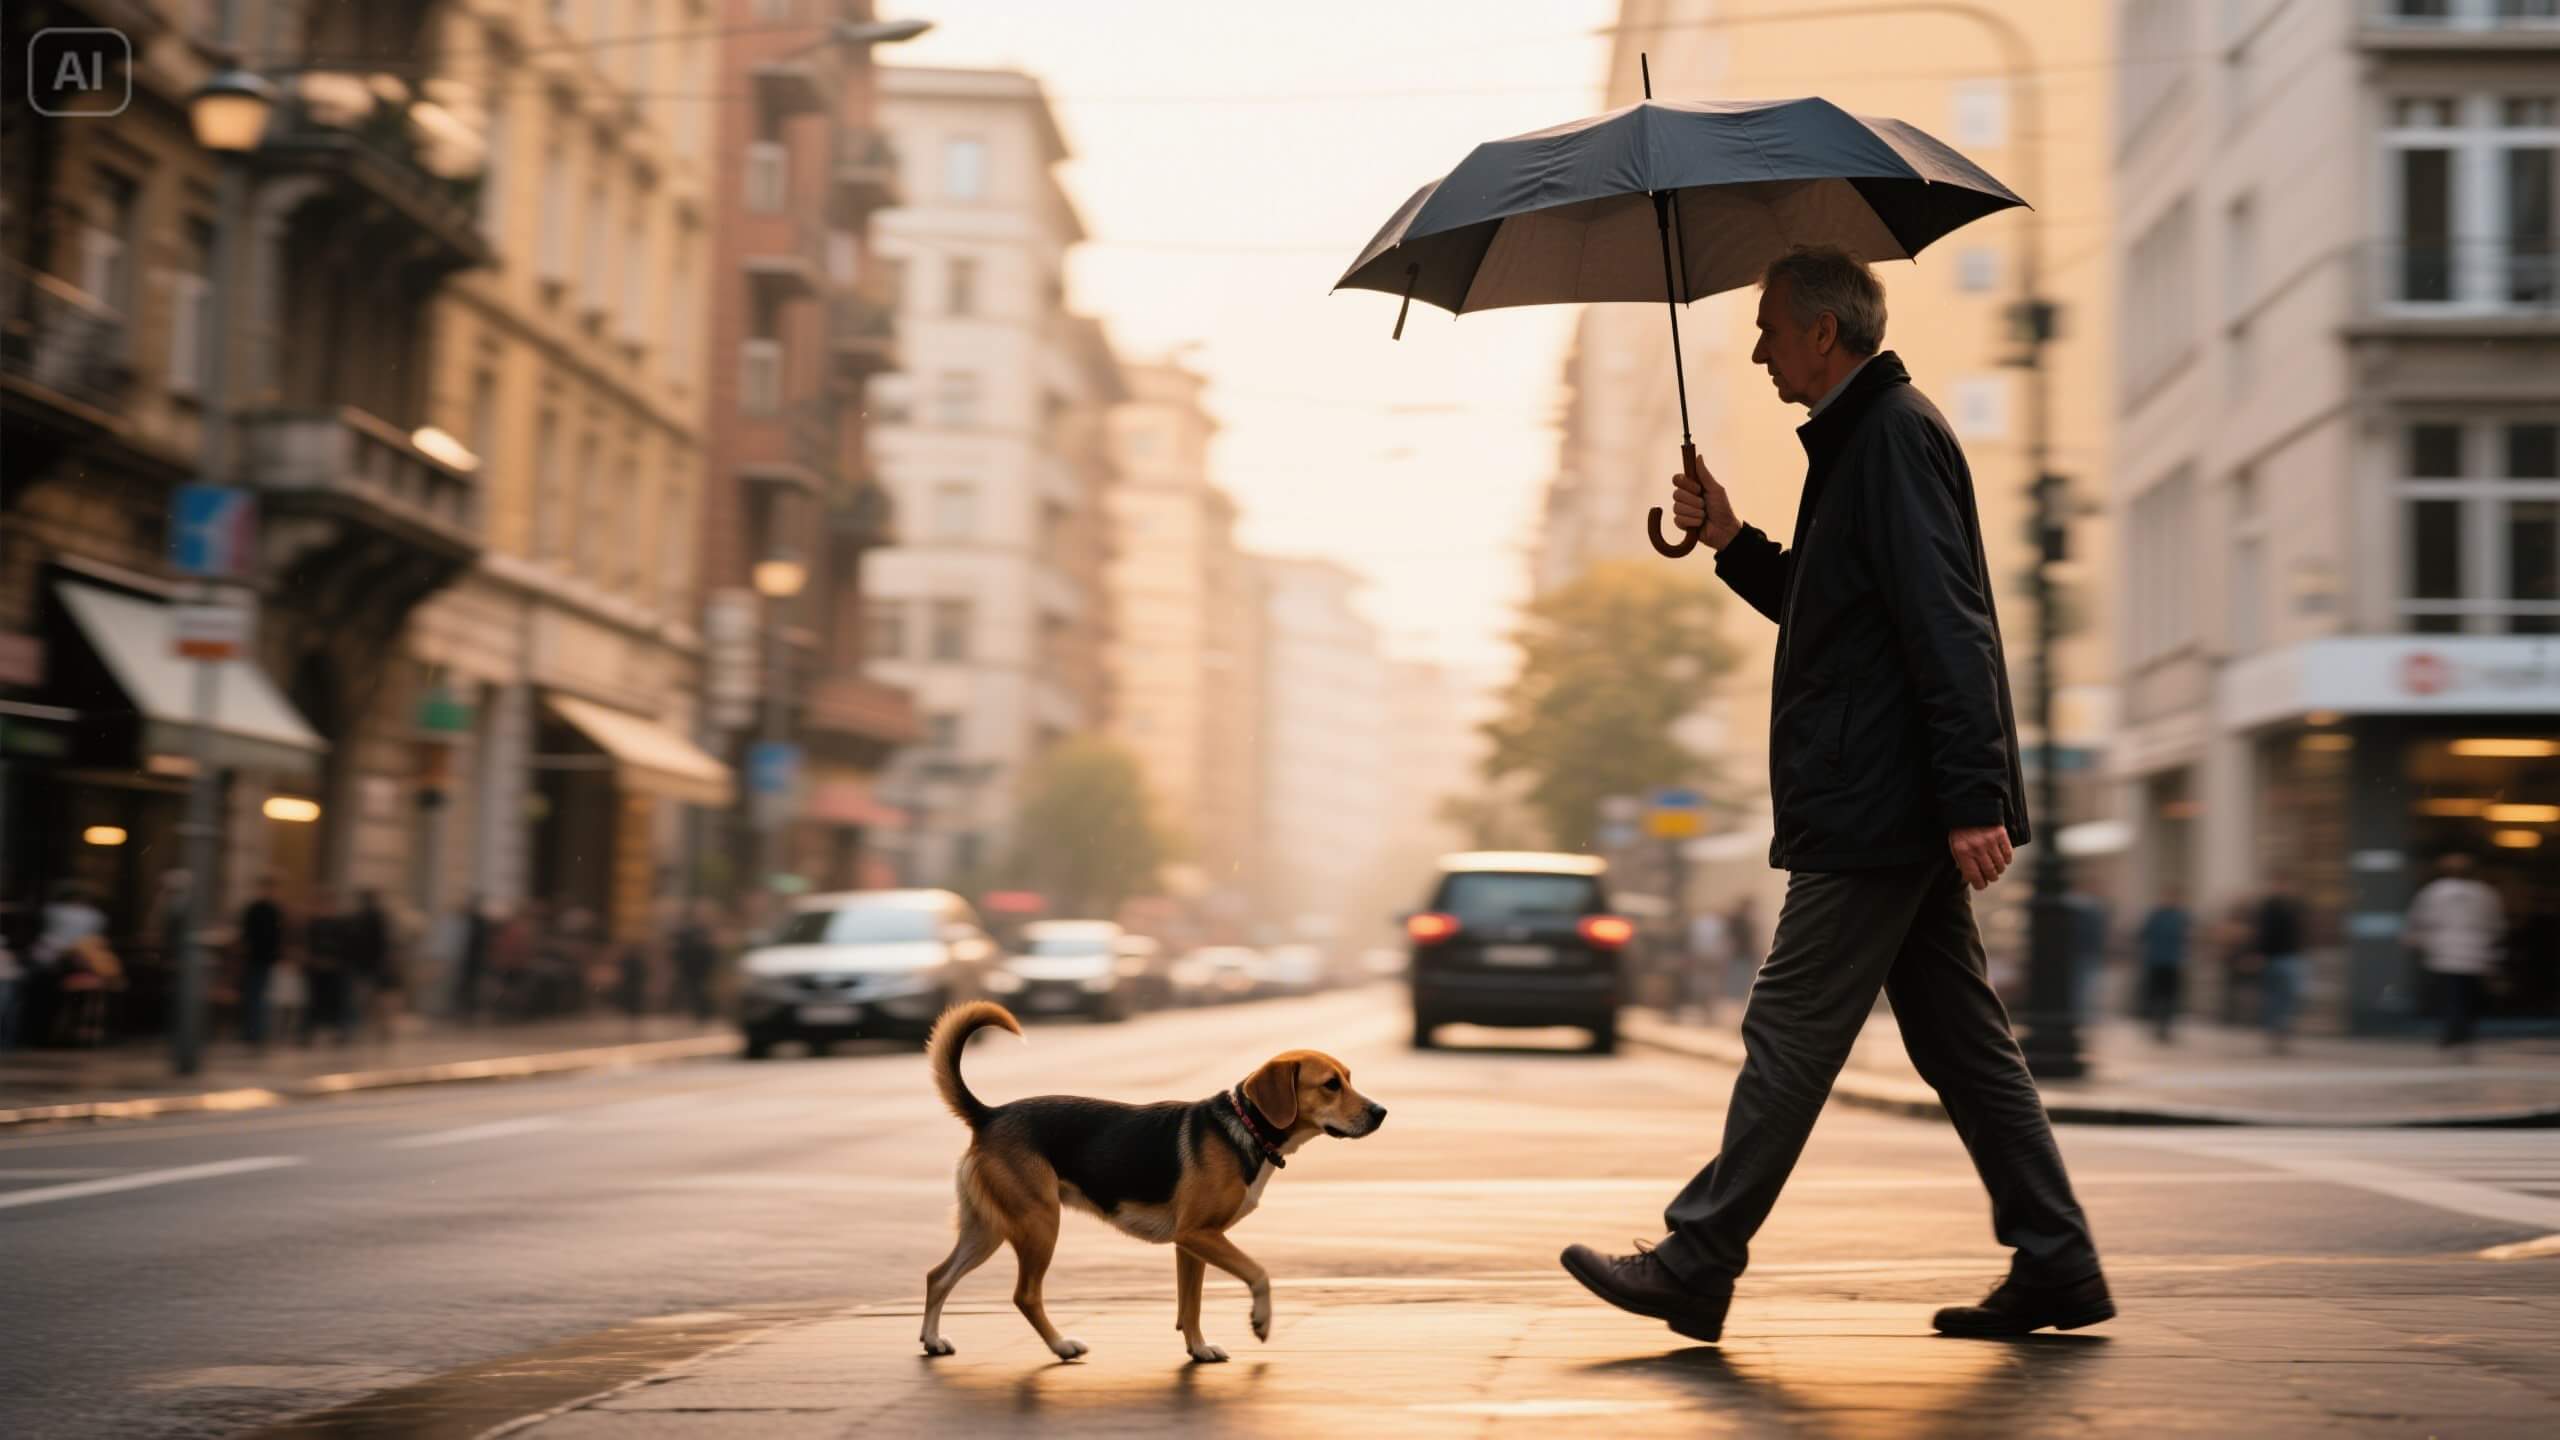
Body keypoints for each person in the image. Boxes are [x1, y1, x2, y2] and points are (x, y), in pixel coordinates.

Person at [1561, 248, 2109, 1342]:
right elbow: (1832, 616)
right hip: (1884, 794)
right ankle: (2055, 1260)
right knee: (1961, 1041)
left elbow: (1943, 622)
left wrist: (1972, 795)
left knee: (1790, 1027)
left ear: (1823, 331)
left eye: (1768, 327)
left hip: (1880, 804)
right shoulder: (1859, 442)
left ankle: (1699, 1257)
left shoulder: (1891, 437)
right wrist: (1727, 537)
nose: (1758, 347)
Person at [2404, 853, 2504, 1056]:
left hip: (2445, 953)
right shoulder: (2485, 893)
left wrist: (2417, 941)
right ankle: (2463, 1032)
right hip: (2476, 952)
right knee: (2470, 996)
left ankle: (2453, 1034)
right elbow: (2496, 923)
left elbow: (2419, 919)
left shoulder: (2434, 892)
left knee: (2452, 996)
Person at [2251, 878, 2308, 1055]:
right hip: (2272, 958)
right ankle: (2274, 1033)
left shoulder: (2294, 906)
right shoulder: (2267, 908)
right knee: (2273, 998)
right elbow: (2261, 934)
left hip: (2289, 957)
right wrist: (2258, 954)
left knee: (2288, 997)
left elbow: (2301, 931)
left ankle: (2282, 1031)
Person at [2134, 887, 2192, 1044]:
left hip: (2173, 962)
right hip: (2155, 960)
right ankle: (2157, 1023)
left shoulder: (2182, 916)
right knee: (2156, 994)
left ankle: (2166, 1024)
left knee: (2170, 995)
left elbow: (2188, 938)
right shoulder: (2155, 915)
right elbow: (2142, 935)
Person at [238, 875, 286, 1048]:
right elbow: (247, 933)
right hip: (254, 958)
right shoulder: (255, 908)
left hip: (266, 959)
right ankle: (252, 1033)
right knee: (254, 996)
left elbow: (278, 935)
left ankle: (258, 1032)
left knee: (262, 996)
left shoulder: (275, 910)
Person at [301, 889, 353, 1046]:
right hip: (316, 969)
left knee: (335, 1002)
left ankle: (337, 1030)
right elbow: (309, 944)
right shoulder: (313, 924)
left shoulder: (340, 924)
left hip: (335, 968)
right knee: (314, 1001)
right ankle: (310, 1031)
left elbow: (345, 946)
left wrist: (334, 960)